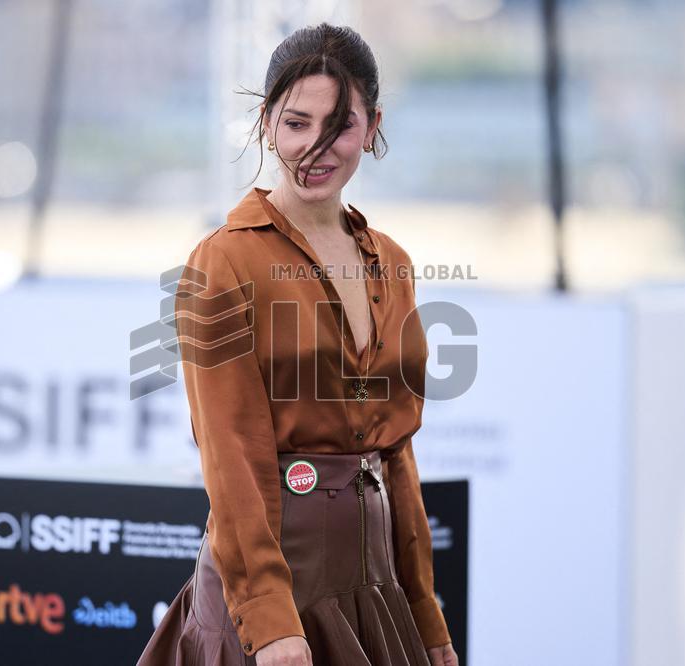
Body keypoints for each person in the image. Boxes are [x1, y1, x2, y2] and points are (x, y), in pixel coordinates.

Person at [136, 22, 458, 666]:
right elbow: (231, 453)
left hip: (376, 590)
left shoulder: (392, 263)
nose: (315, 147)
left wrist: (427, 615)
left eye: (339, 126)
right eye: (296, 123)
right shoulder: (223, 262)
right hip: (274, 594)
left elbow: (396, 456)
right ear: (266, 123)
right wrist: (270, 620)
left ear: (372, 127)